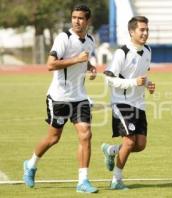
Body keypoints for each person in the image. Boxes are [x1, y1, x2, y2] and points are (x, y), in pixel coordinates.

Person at [23, 4, 98, 193]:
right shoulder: (63, 38)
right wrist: (77, 60)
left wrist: (89, 67)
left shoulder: (90, 40)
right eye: (74, 17)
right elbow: (50, 64)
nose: (76, 21)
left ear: (88, 21)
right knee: (53, 138)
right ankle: (31, 164)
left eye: (80, 18)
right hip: (59, 98)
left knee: (86, 134)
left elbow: (83, 59)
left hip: (79, 97)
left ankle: (83, 181)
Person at [101, 16, 155, 190]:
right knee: (130, 142)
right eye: (142, 30)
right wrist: (134, 83)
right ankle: (116, 179)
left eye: (147, 29)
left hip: (139, 104)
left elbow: (141, 75)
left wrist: (148, 84)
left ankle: (111, 150)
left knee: (140, 145)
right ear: (132, 31)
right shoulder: (121, 52)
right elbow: (108, 79)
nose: (145, 33)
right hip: (121, 103)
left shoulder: (147, 50)